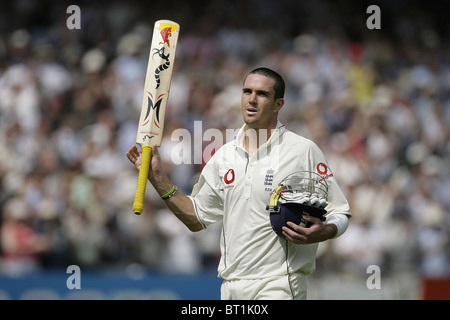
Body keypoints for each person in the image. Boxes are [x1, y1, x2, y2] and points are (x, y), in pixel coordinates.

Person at [126, 67, 351, 299]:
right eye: (247, 91)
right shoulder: (223, 156)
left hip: (279, 284)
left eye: (262, 94)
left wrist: (326, 230)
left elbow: (340, 211)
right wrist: (158, 178)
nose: (252, 99)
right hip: (231, 286)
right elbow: (196, 218)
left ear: (278, 104)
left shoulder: (302, 151)